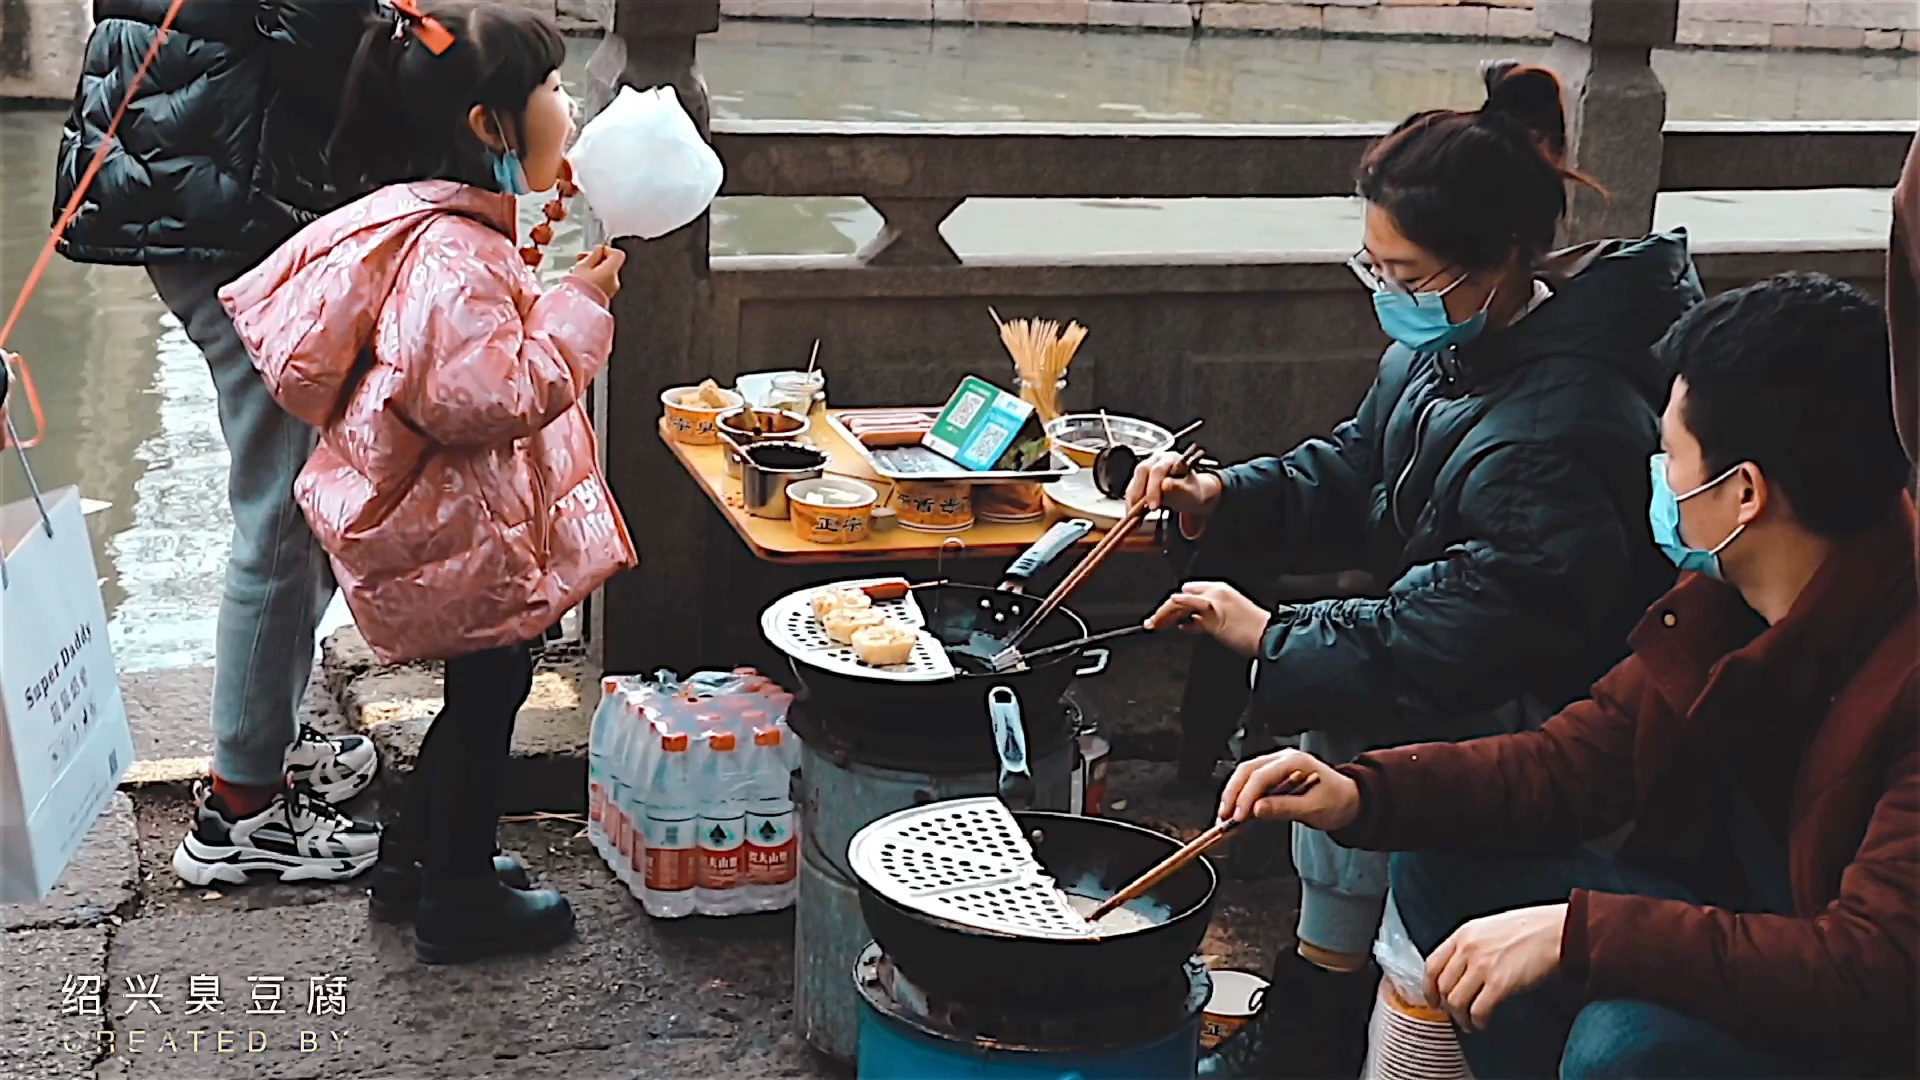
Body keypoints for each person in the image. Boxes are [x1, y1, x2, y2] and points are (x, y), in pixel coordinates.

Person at [1130, 63, 1697, 1074]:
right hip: (1463, 657)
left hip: (1551, 717)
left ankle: (1333, 999)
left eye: (1409, 275)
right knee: (1335, 678)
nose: (1389, 294)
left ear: (1503, 260)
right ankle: (1325, 979)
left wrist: (1270, 635)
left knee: (1348, 691)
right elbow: (1356, 470)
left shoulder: (1559, 422)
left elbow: (1475, 627)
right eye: (1375, 267)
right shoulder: (1452, 350)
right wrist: (1224, 495)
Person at [1219, 272, 1917, 1079]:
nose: (1657, 473)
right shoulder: (1732, 589)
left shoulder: (1903, 670)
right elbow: (1575, 759)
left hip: (1862, 1020)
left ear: (1745, 494)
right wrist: (1361, 793)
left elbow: (1868, 971)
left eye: (1672, 453)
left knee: (1621, 1047)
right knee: (1443, 864)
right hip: (1756, 928)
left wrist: (1573, 933)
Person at [215, 1, 637, 963]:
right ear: (490, 126)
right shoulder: (457, 255)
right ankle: (459, 894)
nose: (568, 109)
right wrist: (577, 308)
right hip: (467, 529)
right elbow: (484, 396)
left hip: (455, 517)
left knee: (479, 693)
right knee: (490, 695)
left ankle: (419, 861)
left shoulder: (444, 225)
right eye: (553, 91)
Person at [55, 1, 386, 882]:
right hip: (238, 198)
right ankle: (242, 807)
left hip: (201, 178)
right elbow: (328, 40)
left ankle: (268, 733)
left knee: (294, 490)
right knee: (286, 509)